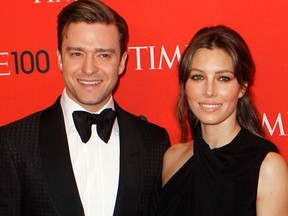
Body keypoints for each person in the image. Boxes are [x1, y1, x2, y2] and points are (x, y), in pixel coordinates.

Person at [0, 0, 170, 215]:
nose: (89, 69)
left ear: (122, 63)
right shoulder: (13, 143)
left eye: (103, 55)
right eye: (77, 54)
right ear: (60, 59)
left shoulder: (154, 142)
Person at [153, 25, 288, 216]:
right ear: (185, 85)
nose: (209, 91)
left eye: (223, 78)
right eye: (198, 77)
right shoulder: (173, 158)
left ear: (242, 88)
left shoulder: (268, 167)